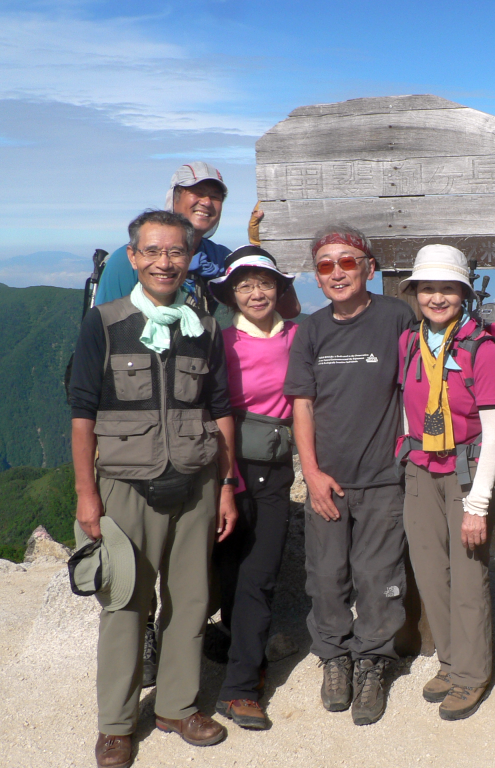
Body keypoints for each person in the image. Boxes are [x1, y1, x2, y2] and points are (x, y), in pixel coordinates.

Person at [68, 209, 238, 768]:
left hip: (195, 480)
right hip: (124, 485)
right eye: (154, 251)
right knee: (124, 604)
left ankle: (176, 705)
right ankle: (116, 725)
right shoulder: (105, 323)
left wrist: (228, 485)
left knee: (190, 602)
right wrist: (86, 494)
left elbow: (218, 410)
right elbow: (82, 413)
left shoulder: (204, 325)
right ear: (134, 258)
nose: (166, 262)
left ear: (190, 260)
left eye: (177, 252)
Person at [283, 224, 416, 726]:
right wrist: (311, 473)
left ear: (368, 268)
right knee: (326, 575)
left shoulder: (397, 316)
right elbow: (303, 405)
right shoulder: (311, 330)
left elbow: (416, 385)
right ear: (316, 277)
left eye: (346, 262)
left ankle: (373, 661)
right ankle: (334, 658)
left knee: (378, 575)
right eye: (324, 265)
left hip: (384, 475)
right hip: (329, 479)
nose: (336, 272)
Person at [396, 245, 495, 721]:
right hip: (420, 467)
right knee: (429, 573)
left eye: (447, 288)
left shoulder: (480, 348)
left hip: (467, 472)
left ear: (463, 293)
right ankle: (448, 659)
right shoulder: (410, 343)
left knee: (467, 577)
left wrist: (479, 505)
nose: (437, 297)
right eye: (428, 288)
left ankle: (470, 675)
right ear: (416, 293)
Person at [203, 246, 299, 730]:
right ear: (231, 295)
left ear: (280, 290)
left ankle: (240, 689)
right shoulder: (219, 342)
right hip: (224, 467)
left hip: (274, 471)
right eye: (244, 286)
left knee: (257, 577)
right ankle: (234, 654)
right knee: (225, 574)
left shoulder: (300, 338)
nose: (256, 293)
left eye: (265, 283)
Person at [94, 162, 300, 317]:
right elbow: (105, 327)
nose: (207, 202)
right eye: (198, 193)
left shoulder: (219, 259)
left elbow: (288, 310)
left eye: (215, 197)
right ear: (175, 197)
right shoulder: (128, 260)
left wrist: (261, 252)